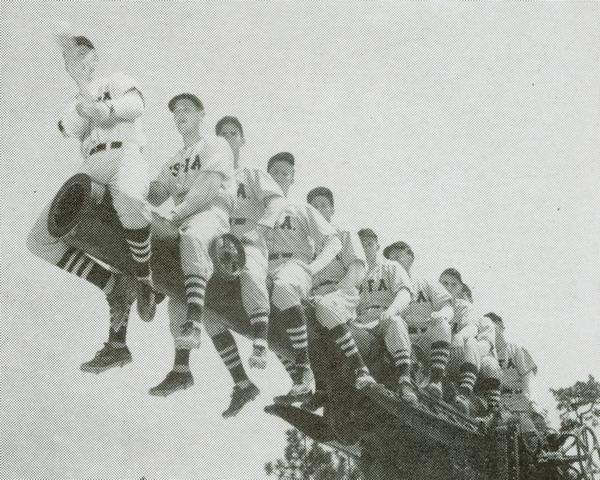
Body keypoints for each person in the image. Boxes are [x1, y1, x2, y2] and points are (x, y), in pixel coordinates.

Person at [27, 34, 156, 373]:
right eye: (72, 55)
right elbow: (68, 127)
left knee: (129, 199)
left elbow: (136, 106)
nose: (79, 58)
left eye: (84, 53)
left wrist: (106, 107)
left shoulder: (117, 80)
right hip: (91, 165)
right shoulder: (75, 99)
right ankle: (112, 285)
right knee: (39, 240)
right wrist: (82, 88)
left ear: (95, 56)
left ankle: (144, 277)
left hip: (125, 153)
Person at [145, 94, 235, 396]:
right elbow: (156, 194)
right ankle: (181, 370)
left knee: (192, 237)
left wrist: (175, 213)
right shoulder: (173, 160)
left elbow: (207, 189)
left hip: (211, 214)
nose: (180, 114)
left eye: (187, 109)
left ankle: (196, 321)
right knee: (175, 296)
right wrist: (129, 168)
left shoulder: (215, 145)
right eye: (176, 111)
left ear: (201, 114)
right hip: (181, 219)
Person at [196, 116, 286, 417]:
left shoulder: (253, 174)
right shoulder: (209, 175)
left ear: (242, 140)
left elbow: (276, 201)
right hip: (218, 248)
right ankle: (242, 383)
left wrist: (260, 228)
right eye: (222, 135)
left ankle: (260, 341)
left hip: (248, 242)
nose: (228, 139)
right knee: (206, 310)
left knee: (250, 273)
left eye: (233, 134)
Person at [265, 153, 343, 404]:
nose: (279, 177)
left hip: (295, 264)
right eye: (275, 172)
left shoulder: (301, 209)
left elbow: (333, 241)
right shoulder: (257, 210)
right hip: (265, 266)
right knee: (260, 318)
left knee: (284, 288)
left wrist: (314, 268)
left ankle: (303, 368)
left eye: (285, 173)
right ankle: (299, 383)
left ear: (292, 179)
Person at [302, 187, 375, 410]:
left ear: (332, 209)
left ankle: (361, 369)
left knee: (325, 307)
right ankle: (318, 387)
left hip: (342, 292)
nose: (320, 210)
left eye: (324, 205)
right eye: (314, 206)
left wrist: (335, 292)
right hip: (313, 295)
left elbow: (356, 269)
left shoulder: (342, 232)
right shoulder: (306, 241)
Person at [383, 242, 452, 400]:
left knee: (443, 325)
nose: (394, 263)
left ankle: (436, 381)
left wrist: (441, 314)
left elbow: (448, 307)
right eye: (390, 260)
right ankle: (404, 380)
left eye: (398, 257)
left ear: (410, 258)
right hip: (401, 340)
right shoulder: (387, 288)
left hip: (426, 341)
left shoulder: (426, 283)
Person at [355, 230, 417, 404]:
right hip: (361, 321)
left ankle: (405, 380)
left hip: (384, 316)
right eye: (362, 245)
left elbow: (404, 293)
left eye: (369, 244)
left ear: (377, 246)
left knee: (396, 322)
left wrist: (391, 311)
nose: (366, 248)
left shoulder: (391, 267)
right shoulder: (355, 271)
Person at [439, 268, 500, 415]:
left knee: (484, 356)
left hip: (475, 367)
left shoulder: (484, 321)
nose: (463, 300)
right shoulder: (441, 306)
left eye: (467, 297)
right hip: (449, 359)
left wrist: (461, 342)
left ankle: (493, 411)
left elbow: (485, 346)